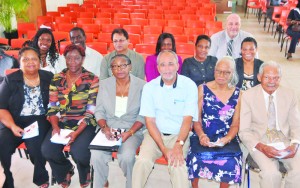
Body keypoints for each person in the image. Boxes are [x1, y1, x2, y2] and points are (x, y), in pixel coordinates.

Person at [132, 50, 198, 188]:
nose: (167, 69)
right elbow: (150, 121)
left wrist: (178, 145)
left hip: (179, 136)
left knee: (178, 165)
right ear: (158, 68)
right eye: (163, 65)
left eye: (170, 64)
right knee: (142, 162)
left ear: (177, 66)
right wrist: (163, 148)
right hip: (155, 135)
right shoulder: (149, 88)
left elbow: (187, 120)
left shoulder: (189, 85)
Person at [41, 44, 99, 188]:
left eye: (77, 58)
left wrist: (77, 133)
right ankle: (65, 169)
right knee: (47, 150)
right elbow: (52, 106)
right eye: (69, 58)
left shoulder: (92, 79)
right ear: (64, 59)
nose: (73, 62)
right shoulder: (57, 78)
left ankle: (85, 171)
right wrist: (54, 127)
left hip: (85, 123)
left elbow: (91, 110)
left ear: (83, 59)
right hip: (62, 121)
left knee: (78, 152)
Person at [239, 61, 300, 188]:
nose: (271, 81)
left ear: (280, 78)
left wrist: (294, 144)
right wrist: (262, 147)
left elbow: (296, 125)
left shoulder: (289, 94)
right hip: (260, 141)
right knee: (271, 174)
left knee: (298, 171)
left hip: (285, 141)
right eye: (267, 77)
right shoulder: (248, 96)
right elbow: (244, 131)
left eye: (275, 78)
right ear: (259, 77)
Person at [0, 47, 53, 188]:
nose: (30, 62)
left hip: (40, 119)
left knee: (35, 144)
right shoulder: (10, 79)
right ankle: (8, 177)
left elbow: (57, 101)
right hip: (14, 120)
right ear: (20, 61)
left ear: (39, 61)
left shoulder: (48, 77)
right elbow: (1, 107)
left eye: (34, 58)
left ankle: (41, 176)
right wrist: (12, 126)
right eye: (26, 59)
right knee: (2, 144)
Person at [186, 56, 242, 188]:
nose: (221, 75)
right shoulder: (203, 88)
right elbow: (196, 119)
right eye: (218, 71)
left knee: (231, 162)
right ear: (214, 71)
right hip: (203, 134)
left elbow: (235, 124)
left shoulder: (239, 94)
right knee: (196, 157)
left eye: (226, 72)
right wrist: (201, 135)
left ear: (232, 73)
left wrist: (226, 139)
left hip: (226, 137)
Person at [91, 54, 146, 188]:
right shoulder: (104, 84)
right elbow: (99, 110)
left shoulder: (142, 85)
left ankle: (131, 183)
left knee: (127, 157)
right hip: (108, 127)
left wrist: (130, 132)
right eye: (115, 66)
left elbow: (144, 114)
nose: (119, 69)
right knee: (96, 155)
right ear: (111, 69)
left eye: (123, 65)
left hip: (131, 129)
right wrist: (104, 127)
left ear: (130, 67)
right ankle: (101, 183)